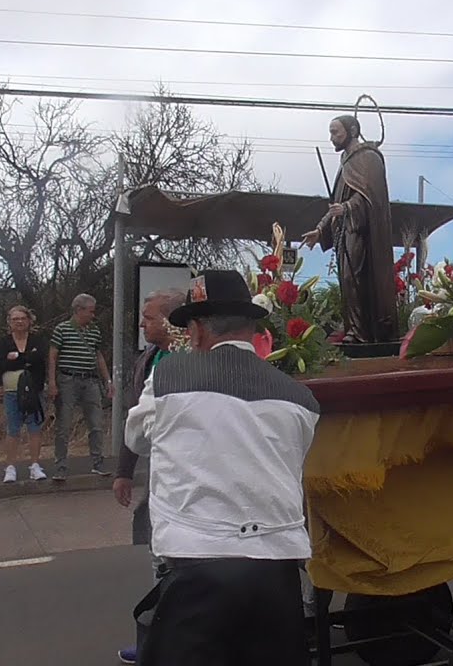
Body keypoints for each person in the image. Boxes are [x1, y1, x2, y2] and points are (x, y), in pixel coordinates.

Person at [125, 270, 318, 666]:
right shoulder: (302, 399)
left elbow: (136, 438)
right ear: (252, 328)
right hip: (277, 574)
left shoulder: (167, 376)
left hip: (199, 566)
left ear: (196, 332)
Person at [114, 289, 185, 666]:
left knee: (172, 554)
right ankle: (156, 639)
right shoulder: (149, 359)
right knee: (159, 551)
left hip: (184, 475)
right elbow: (134, 419)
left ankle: (164, 643)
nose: (142, 322)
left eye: (150, 316)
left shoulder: (188, 358)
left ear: (171, 321)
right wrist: (124, 472)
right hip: (159, 470)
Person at [300, 114, 398, 344]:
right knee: (348, 281)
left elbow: (369, 200)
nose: (331, 138)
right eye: (331, 132)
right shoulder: (346, 161)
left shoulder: (367, 158)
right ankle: (355, 329)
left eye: (336, 132)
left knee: (355, 279)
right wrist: (321, 228)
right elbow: (337, 204)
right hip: (345, 231)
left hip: (361, 232)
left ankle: (362, 332)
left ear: (352, 131)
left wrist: (347, 208)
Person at [47, 293, 115, 480]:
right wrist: (52, 382)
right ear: (79, 310)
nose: (93, 315)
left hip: (90, 380)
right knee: (64, 424)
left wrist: (107, 380)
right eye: (90, 311)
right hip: (68, 380)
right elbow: (52, 356)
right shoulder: (62, 329)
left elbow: (98, 355)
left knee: (96, 423)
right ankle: (60, 465)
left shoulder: (94, 330)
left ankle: (97, 462)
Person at [0, 306, 50, 483]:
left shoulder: (37, 340)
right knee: (13, 429)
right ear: (9, 322)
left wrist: (17, 358)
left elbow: (38, 358)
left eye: (22, 318)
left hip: (33, 390)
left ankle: (35, 465)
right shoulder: (4, 342)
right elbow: (1, 363)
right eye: (15, 319)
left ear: (29, 320)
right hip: (11, 391)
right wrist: (25, 359)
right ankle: (10, 467)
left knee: (34, 428)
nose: (19, 322)